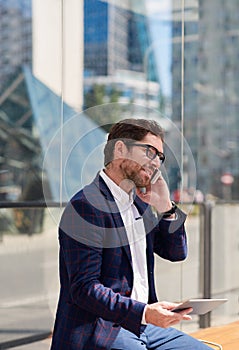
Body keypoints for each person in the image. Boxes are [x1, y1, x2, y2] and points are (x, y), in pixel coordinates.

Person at [50, 118, 210, 349]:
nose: (156, 163)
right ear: (120, 148)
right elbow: (85, 289)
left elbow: (177, 252)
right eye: (150, 152)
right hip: (102, 327)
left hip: (144, 326)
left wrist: (165, 206)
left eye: (160, 157)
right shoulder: (85, 206)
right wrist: (144, 312)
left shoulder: (141, 205)